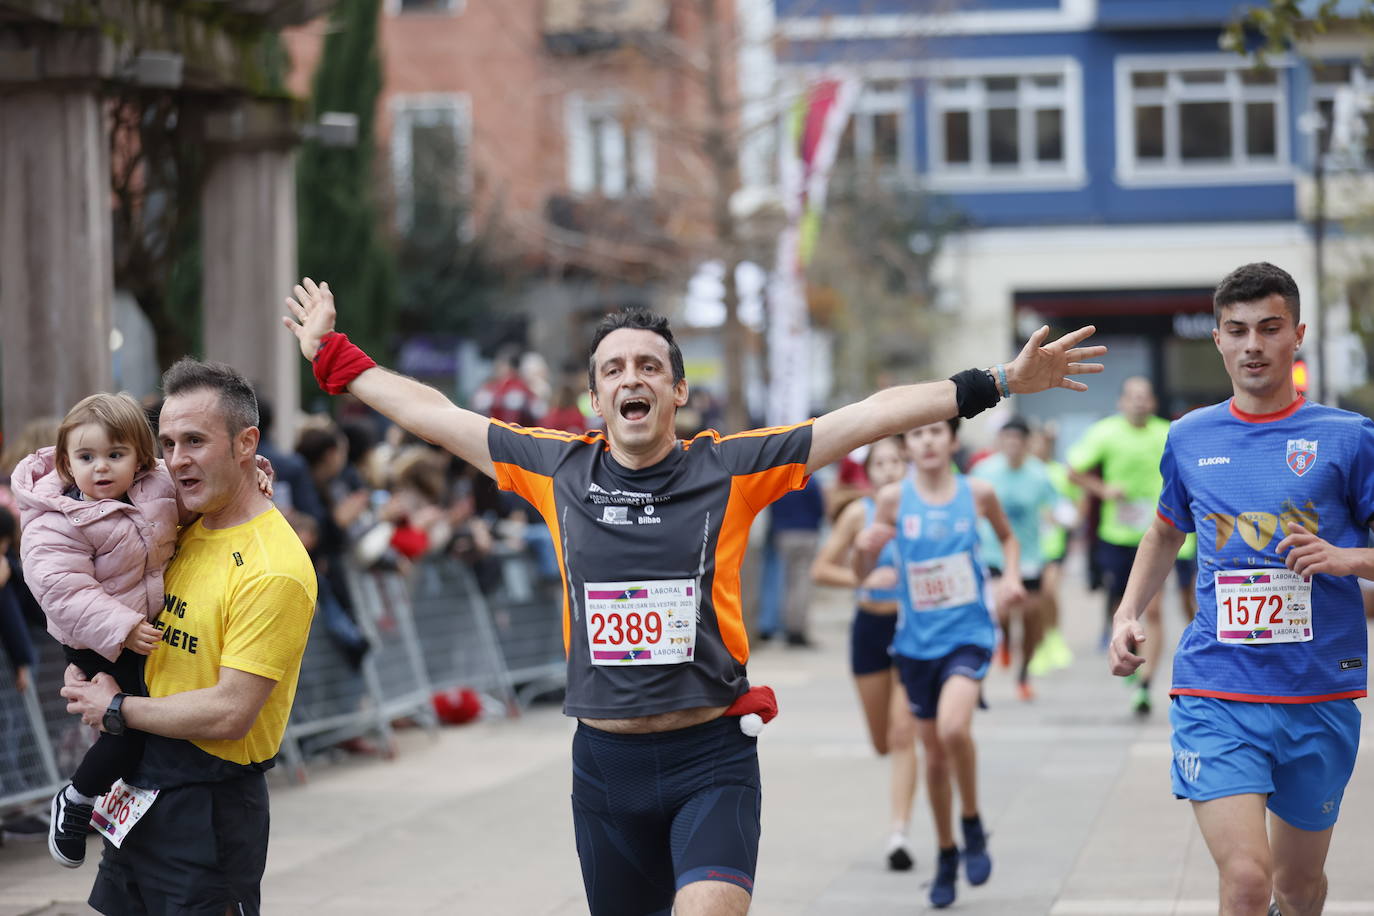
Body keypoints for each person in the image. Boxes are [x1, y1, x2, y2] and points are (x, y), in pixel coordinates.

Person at [282, 276, 1103, 915]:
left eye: (649, 367)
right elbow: (433, 412)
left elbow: (866, 416)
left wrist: (997, 380)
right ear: (595, 400)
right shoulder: (554, 467)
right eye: (613, 370)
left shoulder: (730, 466)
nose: (631, 378)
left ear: (676, 392)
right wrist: (333, 357)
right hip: (603, 768)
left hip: (709, 757)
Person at [1109, 262, 1371, 916]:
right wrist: (1126, 612)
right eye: (1237, 330)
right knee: (1249, 884)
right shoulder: (1190, 437)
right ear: (1219, 341)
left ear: (1297, 335)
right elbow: (1166, 533)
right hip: (1217, 686)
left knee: (1300, 888)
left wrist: (1346, 558)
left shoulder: (1348, 438)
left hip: (1319, 690)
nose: (1253, 343)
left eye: (1269, 328)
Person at [59, 359, 317, 916]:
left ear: (246, 443)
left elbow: (231, 712)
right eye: (169, 442)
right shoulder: (181, 523)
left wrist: (118, 708)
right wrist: (87, 663)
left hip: (211, 804)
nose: (176, 460)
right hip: (138, 787)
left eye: (195, 441)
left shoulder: (274, 567)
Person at [855, 418, 1024, 908]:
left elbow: (1009, 540)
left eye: (935, 432)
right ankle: (947, 851)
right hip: (915, 645)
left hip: (968, 636)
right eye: (916, 434)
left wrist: (1011, 577)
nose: (927, 441)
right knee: (932, 756)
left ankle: (972, 822)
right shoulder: (891, 501)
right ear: (906, 446)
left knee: (953, 730)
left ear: (952, 440)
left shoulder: (978, 493)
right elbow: (863, 573)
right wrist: (862, 555)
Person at [810, 434, 919, 871]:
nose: (889, 469)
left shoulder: (922, 509)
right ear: (869, 473)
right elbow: (821, 568)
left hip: (914, 630)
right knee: (881, 741)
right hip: (869, 629)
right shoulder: (859, 513)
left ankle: (899, 832)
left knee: (902, 733)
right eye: (881, 463)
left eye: (897, 461)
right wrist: (862, 579)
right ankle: (900, 793)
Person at [1068, 376, 1170, 716]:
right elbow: (1074, 471)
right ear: (1121, 402)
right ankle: (1124, 648)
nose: (1139, 402)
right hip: (1116, 534)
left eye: (1145, 396)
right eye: (1132, 397)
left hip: (1157, 536)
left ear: (1153, 403)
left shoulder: (1167, 432)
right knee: (1122, 602)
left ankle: (1145, 685)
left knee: (1153, 609)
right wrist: (1103, 490)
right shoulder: (1105, 432)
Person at [970, 415, 1057, 700]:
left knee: (1032, 616)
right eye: (1007, 440)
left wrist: (1064, 519)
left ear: (1027, 444)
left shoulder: (1039, 474)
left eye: (1018, 441)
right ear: (1000, 442)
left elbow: (1058, 506)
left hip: (1029, 555)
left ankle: (1024, 673)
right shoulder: (983, 471)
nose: (1012, 446)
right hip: (993, 554)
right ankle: (1004, 641)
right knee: (1002, 610)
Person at [1027, 423, 1078, 675]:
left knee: (1049, 591)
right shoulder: (1022, 472)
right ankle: (1038, 645)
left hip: (1053, 545)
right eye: (1034, 442)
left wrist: (1057, 517)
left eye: (1043, 442)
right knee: (1032, 603)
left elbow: (1072, 511)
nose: (1038, 447)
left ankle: (1054, 637)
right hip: (1028, 548)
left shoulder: (1058, 473)